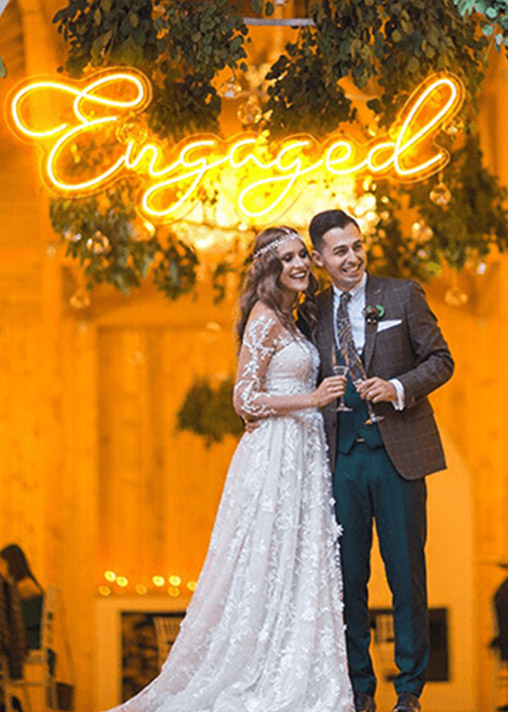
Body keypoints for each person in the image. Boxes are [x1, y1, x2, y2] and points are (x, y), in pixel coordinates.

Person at [104, 226, 354, 712]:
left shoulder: (294, 319)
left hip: (303, 454)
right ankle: (252, 672)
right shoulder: (264, 317)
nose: (299, 265)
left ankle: (293, 669)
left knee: (296, 559)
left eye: (302, 256)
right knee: (266, 557)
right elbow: (245, 398)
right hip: (275, 452)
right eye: (287, 259)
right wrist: (312, 399)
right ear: (269, 269)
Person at [304, 209, 454, 712]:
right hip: (340, 460)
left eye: (357, 246)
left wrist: (396, 387)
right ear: (320, 259)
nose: (353, 257)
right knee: (348, 579)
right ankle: (359, 688)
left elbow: (441, 360)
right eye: (340, 251)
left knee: (406, 573)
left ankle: (409, 689)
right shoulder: (312, 310)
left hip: (398, 456)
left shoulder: (403, 294)